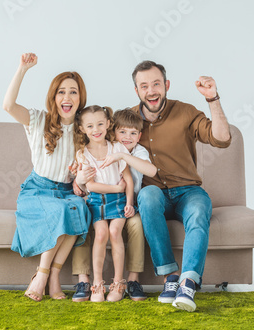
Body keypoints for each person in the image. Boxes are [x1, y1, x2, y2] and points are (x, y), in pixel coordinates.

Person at [131, 60, 231, 312]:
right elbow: (103, 147)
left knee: (199, 210)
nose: (151, 91)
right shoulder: (129, 120)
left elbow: (222, 139)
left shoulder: (186, 112)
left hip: (188, 191)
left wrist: (213, 99)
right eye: (144, 86)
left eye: (156, 84)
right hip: (154, 195)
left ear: (166, 85)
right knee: (147, 195)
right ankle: (170, 277)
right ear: (137, 91)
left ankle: (187, 282)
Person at [3, 53, 91, 302]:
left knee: (78, 208)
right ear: (54, 97)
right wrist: (22, 69)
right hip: (37, 190)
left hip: (66, 191)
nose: (67, 97)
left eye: (73, 92)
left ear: (80, 98)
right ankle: (42, 276)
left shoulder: (85, 128)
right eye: (61, 92)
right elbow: (8, 106)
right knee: (59, 211)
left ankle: (53, 274)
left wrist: (80, 178)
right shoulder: (38, 120)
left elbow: (91, 166)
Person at [71, 109, 157, 302]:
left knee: (115, 232)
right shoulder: (83, 154)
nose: (96, 129)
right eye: (90, 126)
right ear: (82, 129)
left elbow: (129, 180)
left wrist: (128, 203)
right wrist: (116, 189)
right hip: (97, 200)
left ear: (108, 124)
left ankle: (119, 283)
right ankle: (97, 284)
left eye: (100, 124)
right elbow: (91, 185)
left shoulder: (118, 149)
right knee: (100, 233)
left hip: (119, 202)